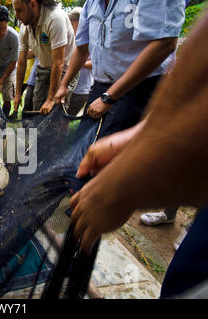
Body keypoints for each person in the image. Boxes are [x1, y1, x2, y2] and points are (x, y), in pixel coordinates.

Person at [69, 12, 208, 298]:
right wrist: (144, 136)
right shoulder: (91, 7)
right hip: (107, 89)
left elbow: (168, 46)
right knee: (184, 275)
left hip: (128, 94)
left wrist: (132, 179)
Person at [55, 0, 185, 128]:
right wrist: (64, 85)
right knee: (85, 141)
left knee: (113, 145)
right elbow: (82, 48)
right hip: (101, 86)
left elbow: (164, 43)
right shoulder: (91, 3)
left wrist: (109, 97)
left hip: (139, 87)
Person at [13, 0, 77, 116]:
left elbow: (58, 63)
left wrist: (51, 99)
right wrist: (17, 94)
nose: (17, 16)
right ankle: (37, 134)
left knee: (55, 113)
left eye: (20, 10)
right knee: (37, 110)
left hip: (64, 70)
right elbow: (22, 63)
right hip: (44, 67)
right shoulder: (25, 27)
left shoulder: (55, 18)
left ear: (32, 4)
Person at [66, 7, 93, 116]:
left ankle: (64, 133)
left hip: (81, 89)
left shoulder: (90, 41)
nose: (70, 28)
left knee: (66, 119)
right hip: (67, 86)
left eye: (72, 24)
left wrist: (76, 63)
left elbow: (94, 63)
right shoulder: (68, 40)